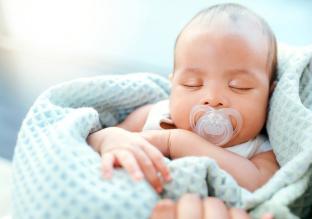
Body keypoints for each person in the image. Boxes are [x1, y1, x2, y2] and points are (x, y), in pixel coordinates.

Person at [87, 3, 279, 195]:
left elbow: (260, 185)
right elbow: (94, 140)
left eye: (239, 86)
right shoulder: (154, 117)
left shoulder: (259, 150)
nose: (212, 99)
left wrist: (177, 142)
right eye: (192, 83)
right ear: (173, 86)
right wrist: (109, 139)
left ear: (269, 94)